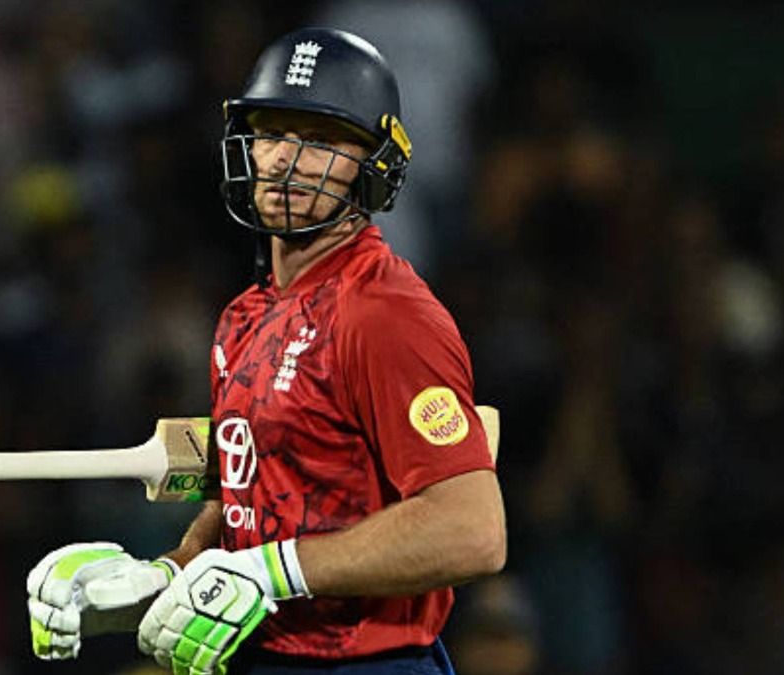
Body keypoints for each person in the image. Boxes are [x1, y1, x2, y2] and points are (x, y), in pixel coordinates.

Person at [26, 27, 506, 674]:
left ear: (376, 163)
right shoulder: (243, 318)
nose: (287, 159)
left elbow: (470, 530)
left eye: (322, 140)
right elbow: (252, 497)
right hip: (262, 657)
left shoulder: (384, 313)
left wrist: (274, 568)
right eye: (274, 133)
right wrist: (160, 575)